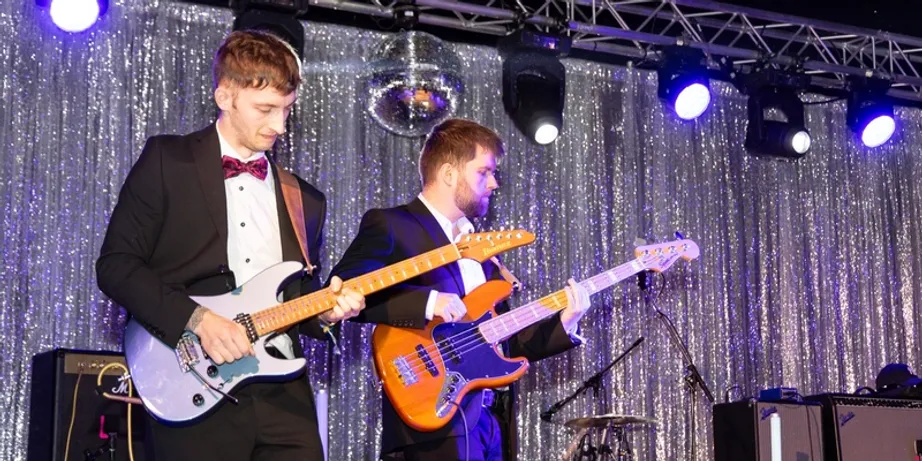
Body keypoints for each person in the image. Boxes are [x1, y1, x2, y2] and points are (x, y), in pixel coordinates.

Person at [96, 30, 365, 460]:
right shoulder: (169, 160)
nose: (278, 125)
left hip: (283, 390)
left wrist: (327, 312)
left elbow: (292, 297)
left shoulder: (305, 198)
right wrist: (198, 319)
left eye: (286, 110)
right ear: (225, 96)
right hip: (193, 378)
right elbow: (116, 266)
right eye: (266, 109)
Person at [329, 118, 593, 461]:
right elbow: (341, 295)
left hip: (486, 422)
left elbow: (500, 340)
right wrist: (428, 302)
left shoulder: (482, 251)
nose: (494, 183)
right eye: (485, 172)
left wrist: (565, 322)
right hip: (430, 417)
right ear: (450, 174)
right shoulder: (392, 224)